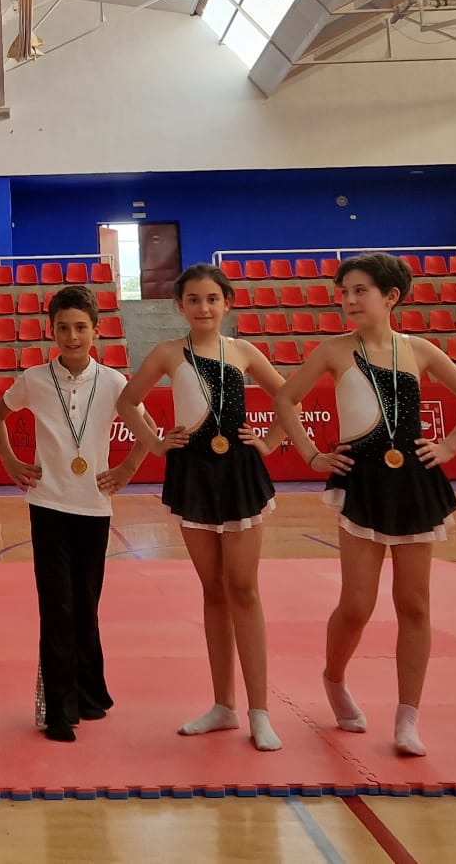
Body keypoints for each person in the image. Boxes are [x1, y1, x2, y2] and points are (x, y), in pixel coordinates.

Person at [271, 252, 456, 758]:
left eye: (360, 290)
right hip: (361, 483)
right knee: (358, 604)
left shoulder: (420, 351)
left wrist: (451, 446)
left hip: (414, 483)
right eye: (343, 291)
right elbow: (286, 399)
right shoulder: (333, 351)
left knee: (414, 604)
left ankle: (407, 715)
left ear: (390, 297)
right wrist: (310, 453)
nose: (348, 300)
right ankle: (334, 678)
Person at [116, 263, 286, 752]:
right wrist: (155, 442)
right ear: (180, 307)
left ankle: (260, 711)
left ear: (226, 303)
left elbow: (288, 396)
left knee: (244, 590)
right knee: (213, 591)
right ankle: (222, 705)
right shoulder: (169, 354)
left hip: (238, 473)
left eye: (212, 298)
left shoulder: (244, 352)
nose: (204, 307)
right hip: (192, 472)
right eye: (194, 299)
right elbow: (129, 403)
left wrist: (272, 440)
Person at [0, 285, 153, 742]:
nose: (72, 336)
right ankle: (58, 709)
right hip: (48, 504)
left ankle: (89, 695)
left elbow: (149, 430)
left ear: (97, 331)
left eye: (81, 327)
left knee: (86, 604)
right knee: (56, 606)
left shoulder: (116, 382)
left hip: (95, 507)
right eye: (63, 328)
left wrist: (125, 470)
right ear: (52, 331)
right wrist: (9, 461)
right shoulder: (35, 379)